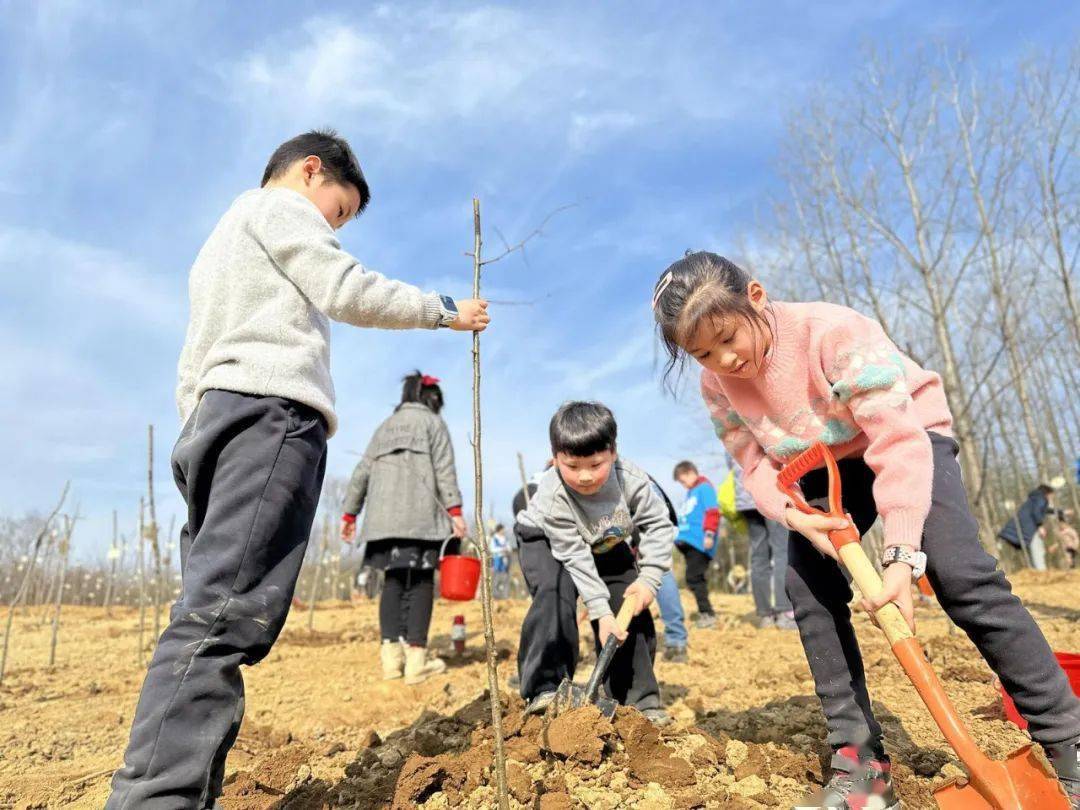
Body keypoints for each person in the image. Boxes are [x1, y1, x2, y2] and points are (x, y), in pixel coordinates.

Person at [107, 131, 489, 808]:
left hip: (215, 423)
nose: (332, 228)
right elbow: (344, 288)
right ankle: (158, 799)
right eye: (337, 213)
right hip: (270, 420)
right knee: (225, 618)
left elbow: (191, 365)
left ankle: (179, 791)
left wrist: (197, 435)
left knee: (204, 611)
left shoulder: (218, 243)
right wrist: (443, 311)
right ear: (311, 172)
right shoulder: (278, 209)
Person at [651, 251, 1080, 809]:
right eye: (703, 353)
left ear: (756, 297)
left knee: (958, 571)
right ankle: (861, 765)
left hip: (907, 435)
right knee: (806, 590)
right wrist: (793, 515)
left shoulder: (833, 332)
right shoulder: (717, 385)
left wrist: (901, 556)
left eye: (728, 338)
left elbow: (897, 440)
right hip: (818, 468)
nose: (724, 360)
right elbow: (751, 461)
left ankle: (1066, 738)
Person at [514, 402, 674, 724]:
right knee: (554, 594)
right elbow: (573, 555)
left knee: (627, 605)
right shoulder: (552, 493)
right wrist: (599, 612)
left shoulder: (632, 481)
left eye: (595, 464)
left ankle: (637, 699)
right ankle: (545, 687)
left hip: (606, 540)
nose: (585, 476)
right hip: (548, 540)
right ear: (555, 456)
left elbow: (659, 525)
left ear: (612, 452)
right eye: (572, 466)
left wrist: (648, 580)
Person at [341, 372, 464, 684]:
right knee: (421, 582)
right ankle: (416, 662)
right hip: (421, 518)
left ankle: (391, 662)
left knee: (393, 582)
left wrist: (349, 514)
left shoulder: (384, 427)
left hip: (383, 521)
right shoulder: (433, 424)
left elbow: (362, 471)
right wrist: (455, 511)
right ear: (432, 399)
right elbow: (444, 470)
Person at [724, 452, 796, 629]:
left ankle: (765, 615)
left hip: (745, 498)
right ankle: (784, 611)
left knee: (758, 556)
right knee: (781, 552)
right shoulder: (761, 423)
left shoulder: (731, 429)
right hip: (770, 492)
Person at [672, 460, 720, 628]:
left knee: (694, 578)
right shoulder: (691, 492)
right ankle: (706, 613)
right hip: (688, 542)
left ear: (690, 472)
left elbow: (712, 512)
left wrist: (709, 534)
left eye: (683, 481)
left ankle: (707, 614)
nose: (683, 485)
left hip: (700, 543)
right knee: (692, 578)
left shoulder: (704, 488)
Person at [998, 477, 1068, 570]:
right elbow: (1037, 511)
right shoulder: (1041, 499)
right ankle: (1041, 572)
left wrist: (1061, 511)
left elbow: (1044, 509)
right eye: (1052, 495)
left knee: (1034, 551)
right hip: (1030, 528)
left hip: (1024, 528)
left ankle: (1036, 571)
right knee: (1038, 550)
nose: (1052, 497)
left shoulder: (1034, 499)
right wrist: (1040, 526)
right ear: (1048, 493)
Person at [491, 523, 512, 599]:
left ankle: (505, 596)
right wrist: (502, 549)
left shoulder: (505, 539)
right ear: (499, 530)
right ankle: (495, 596)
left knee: (505, 579)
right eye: (502, 530)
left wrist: (507, 550)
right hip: (497, 560)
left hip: (505, 560)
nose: (504, 531)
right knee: (496, 578)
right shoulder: (494, 538)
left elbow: (509, 548)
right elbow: (492, 549)